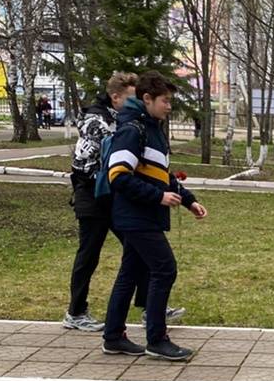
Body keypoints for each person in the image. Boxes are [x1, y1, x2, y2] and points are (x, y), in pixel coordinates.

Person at [63, 72, 186, 332]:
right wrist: (122, 179)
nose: (137, 102)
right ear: (115, 97)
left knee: (137, 256)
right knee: (89, 254)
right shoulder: (98, 121)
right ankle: (76, 311)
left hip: (119, 197)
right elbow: (87, 164)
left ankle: (149, 308)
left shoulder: (130, 121)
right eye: (132, 98)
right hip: (93, 197)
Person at [99, 72, 207, 361]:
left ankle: (113, 337)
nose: (169, 107)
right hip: (137, 217)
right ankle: (157, 340)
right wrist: (158, 197)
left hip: (143, 216)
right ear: (147, 99)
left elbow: (163, 176)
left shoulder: (153, 130)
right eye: (165, 101)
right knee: (165, 269)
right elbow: (118, 176)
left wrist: (189, 201)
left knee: (130, 274)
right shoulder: (133, 131)